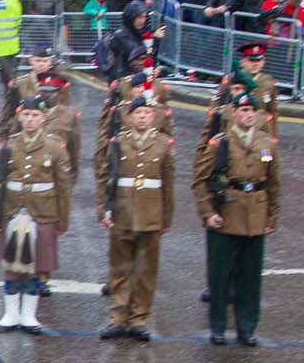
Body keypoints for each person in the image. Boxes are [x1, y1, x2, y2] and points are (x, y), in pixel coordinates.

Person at [193, 93, 277, 346]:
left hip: (255, 215)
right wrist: (208, 213)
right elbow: (199, 181)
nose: (248, 114)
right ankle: (218, 326)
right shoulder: (220, 143)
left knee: (250, 277)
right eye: (243, 110)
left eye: (252, 110)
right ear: (233, 113)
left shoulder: (267, 142)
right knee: (220, 275)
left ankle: (246, 327)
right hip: (226, 213)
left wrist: (273, 214)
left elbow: (274, 181)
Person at [0, 97, 70, 334]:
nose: (30, 120)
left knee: (35, 267)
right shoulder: (8, 146)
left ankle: (29, 315)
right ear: (19, 117)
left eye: (35, 116)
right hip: (11, 212)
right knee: (11, 265)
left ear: (43, 118)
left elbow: (63, 186)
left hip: (43, 214)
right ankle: (10, 314)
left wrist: (62, 220)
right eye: (26, 115)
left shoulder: (54, 147)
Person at [98, 98, 175, 342]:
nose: (141, 116)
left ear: (153, 116)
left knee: (145, 271)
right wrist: (103, 211)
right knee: (120, 269)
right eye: (137, 113)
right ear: (130, 117)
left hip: (151, 215)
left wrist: (166, 218)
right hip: (122, 213)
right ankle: (118, 318)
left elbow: (168, 184)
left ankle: (139, 318)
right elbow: (105, 178)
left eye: (146, 112)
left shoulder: (163, 144)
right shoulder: (118, 142)